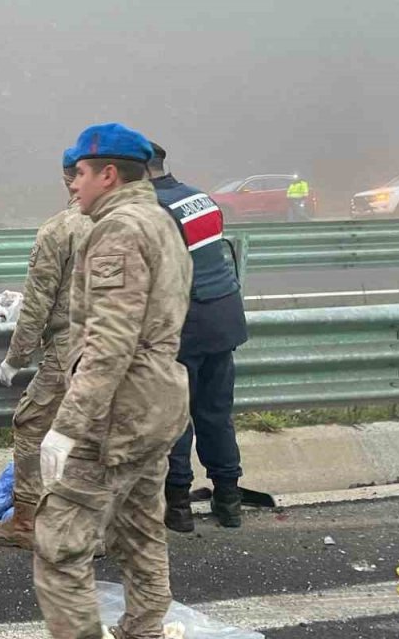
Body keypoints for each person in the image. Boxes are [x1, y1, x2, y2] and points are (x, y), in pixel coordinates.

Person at [32, 123, 191, 639]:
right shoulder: (160, 220)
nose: (72, 184)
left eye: (78, 174)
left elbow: (110, 342)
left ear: (107, 174)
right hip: (158, 405)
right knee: (142, 528)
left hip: (114, 416)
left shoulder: (117, 230)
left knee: (60, 547)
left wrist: (69, 426)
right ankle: (145, 629)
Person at [0, 148, 92, 550]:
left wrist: (16, 356)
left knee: (31, 425)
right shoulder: (136, 225)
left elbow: (39, 303)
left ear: (70, 179)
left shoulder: (61, 229)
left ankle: (26, 520)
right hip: (125, 345)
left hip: (71, 345)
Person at [149, 142, 249, 532]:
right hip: (223, 318)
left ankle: (178, 508)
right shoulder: (198, 198)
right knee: (216, 413)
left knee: (176, 418)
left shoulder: (154, 211)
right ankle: (229, 500)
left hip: (184, 325)